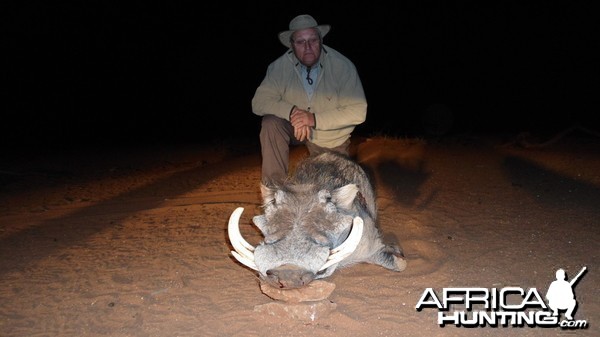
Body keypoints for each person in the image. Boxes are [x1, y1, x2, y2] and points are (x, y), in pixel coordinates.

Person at [252, 14, 368, 184]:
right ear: (292, 45)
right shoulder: (279, 67)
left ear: (320, 40)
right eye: (300, 42)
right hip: (295, 129)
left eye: (312, 40)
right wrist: (293, 112)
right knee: (271, 123)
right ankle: (274, 192)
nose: (307, 47)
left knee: (335, 190)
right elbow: (258, 102)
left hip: (329, 138)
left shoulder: (343, 66)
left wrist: (313, 119)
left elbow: (359, 110)